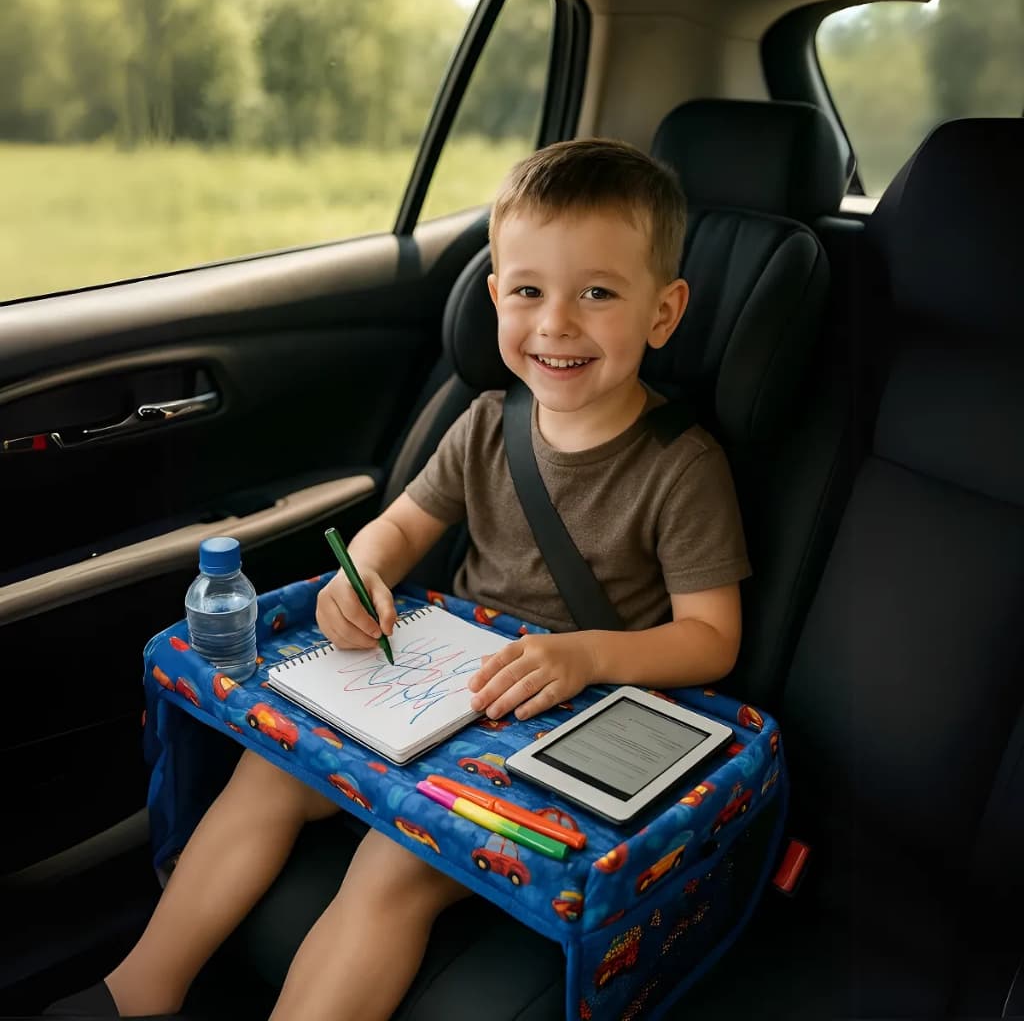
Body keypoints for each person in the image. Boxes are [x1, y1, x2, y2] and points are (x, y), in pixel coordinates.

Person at [51, 138, 750, 1020]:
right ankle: (136, 995)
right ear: (496, 296)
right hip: (436, 684)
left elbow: (711, 639)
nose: (556, 324)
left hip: (560, 722)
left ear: (664, 310)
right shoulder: (486, 425)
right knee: (268, 771)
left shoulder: (681, 468)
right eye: (528, 291)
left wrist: (583, 657)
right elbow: (398, 528)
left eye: (598, 293)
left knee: (396, 859)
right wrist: (364, 576)